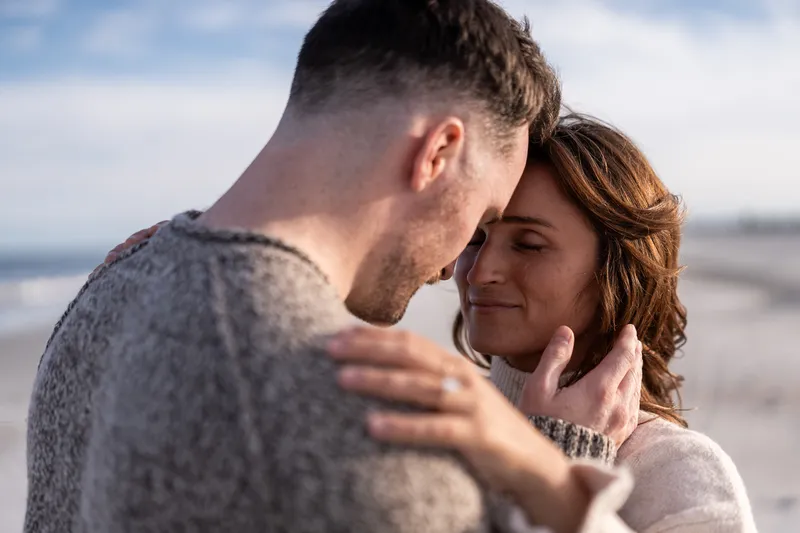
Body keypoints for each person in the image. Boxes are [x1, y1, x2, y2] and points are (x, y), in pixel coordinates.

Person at [25, 2, 641, 533]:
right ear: (439, 153)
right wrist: (555, 474)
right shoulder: (365, 422)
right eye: (480, 222)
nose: (456, 268)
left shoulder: (109, 287)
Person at [329, 114, 758, 531]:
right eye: (475, 239)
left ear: (618, 275)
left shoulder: (677, 472)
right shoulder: (427, 422)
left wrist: (562, 462)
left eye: (529, 245)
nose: (479, 272)